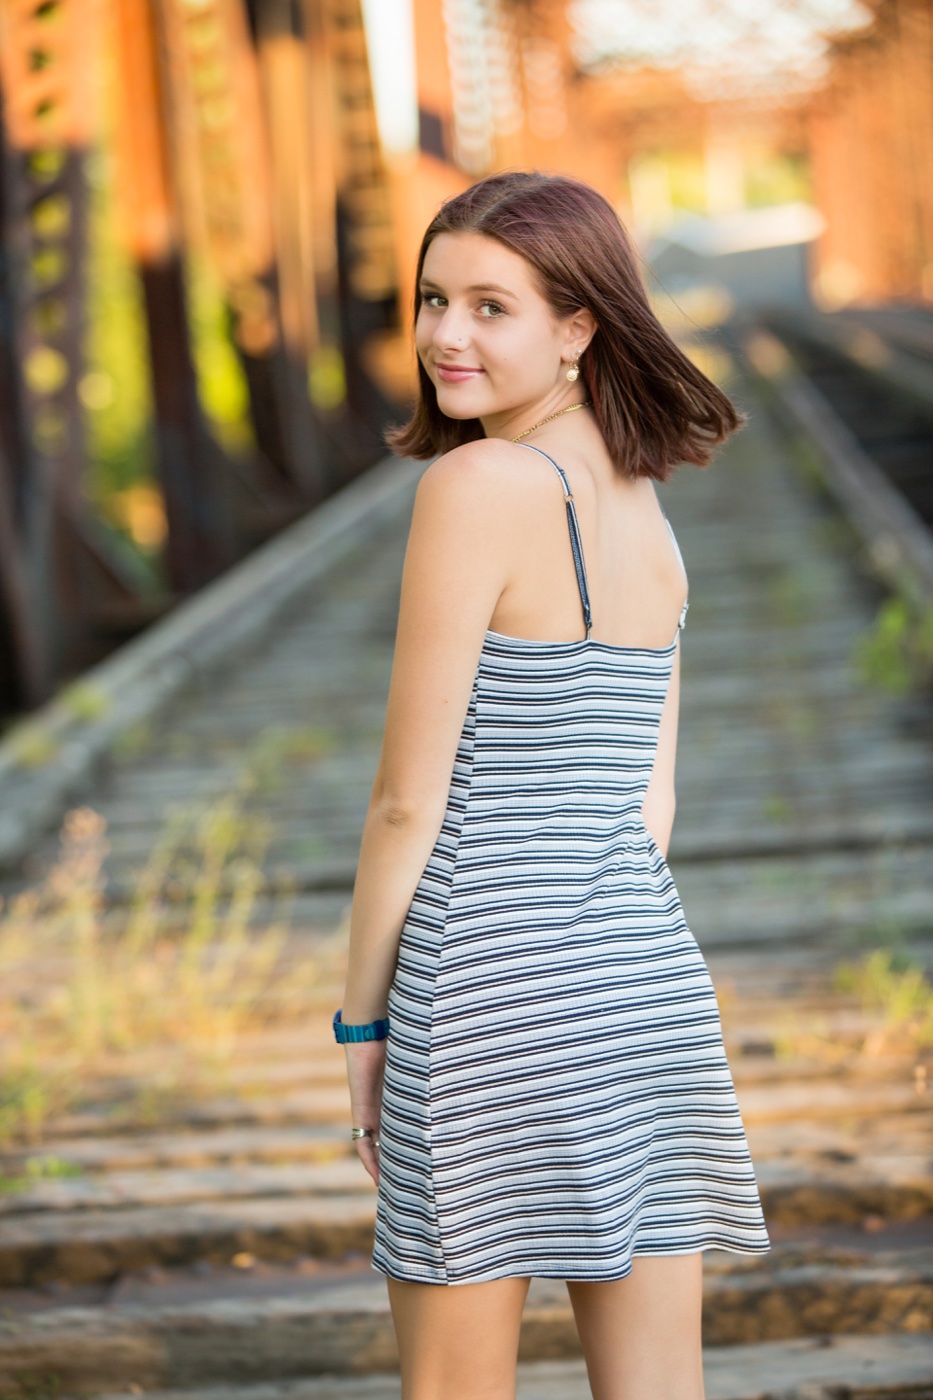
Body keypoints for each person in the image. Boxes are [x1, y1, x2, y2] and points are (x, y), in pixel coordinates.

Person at [335, 170, 769, 1400]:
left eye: (489, 306)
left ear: (579, 327)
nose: (442, 335)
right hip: (643, 983)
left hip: (480, 989)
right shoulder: (650, 513)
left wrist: (364, 1024)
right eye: (431, 298)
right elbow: (651, 809)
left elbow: (407, 804)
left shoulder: (476, 488)